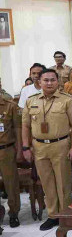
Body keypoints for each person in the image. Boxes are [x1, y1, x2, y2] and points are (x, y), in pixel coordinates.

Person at [21, 69, 72, 230]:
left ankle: (66, 216)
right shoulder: (31, 100)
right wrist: (25, 147)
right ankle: (53, 215)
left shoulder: (67, 100)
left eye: (52, 80)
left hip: (60, 145)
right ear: (39, 82)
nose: (49, 83)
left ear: (58, 81)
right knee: (47, 182)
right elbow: (25, 125)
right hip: (39, 147)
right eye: (46, 80)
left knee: (63, 182)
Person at [0, 92, 22, 227]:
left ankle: (14, 213)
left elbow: (18, 129)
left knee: (11, 184)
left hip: (6, 150)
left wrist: (20, 150)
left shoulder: (11, 106)